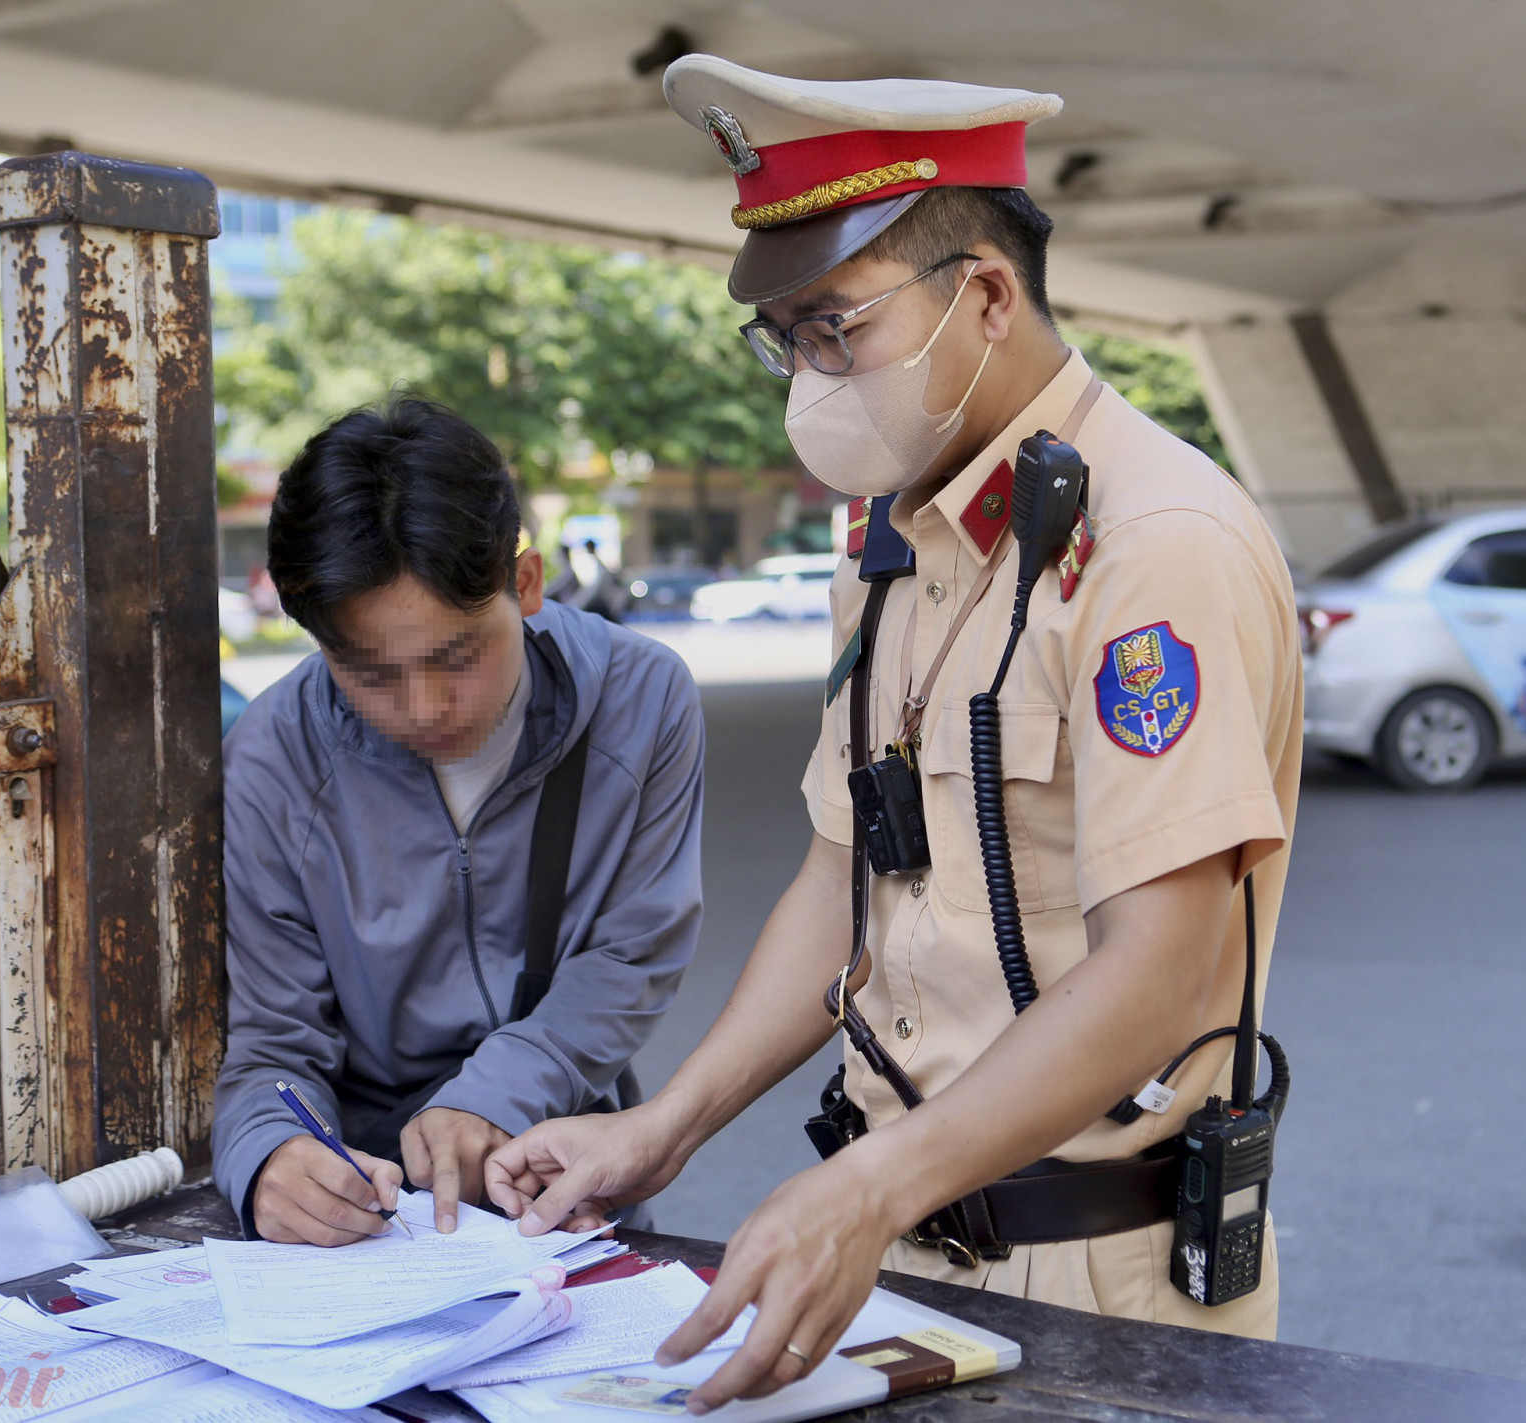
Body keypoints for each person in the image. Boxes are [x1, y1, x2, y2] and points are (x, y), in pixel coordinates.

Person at [487, 55, 1304, 1410]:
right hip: (899, 1245)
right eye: (785, 338)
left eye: (835, 328)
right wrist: (661, 1128)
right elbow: (844, 873)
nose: (806, 376)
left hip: (1094, 1267)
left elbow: (1162, 970)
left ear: (985, 296)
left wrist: (862, 1186)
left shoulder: (1157, 543)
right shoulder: (888, 544)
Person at [211, 395, 707, 1245]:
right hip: (368, 1210)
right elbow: (274, 1042)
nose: (425, 709)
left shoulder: (643, 698)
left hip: (558, 1173)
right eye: (368, 675)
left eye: (458, 657)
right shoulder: (272, 755)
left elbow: (631, 955)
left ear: (525, 583)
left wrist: (493, 1094)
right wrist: (270, 1151)